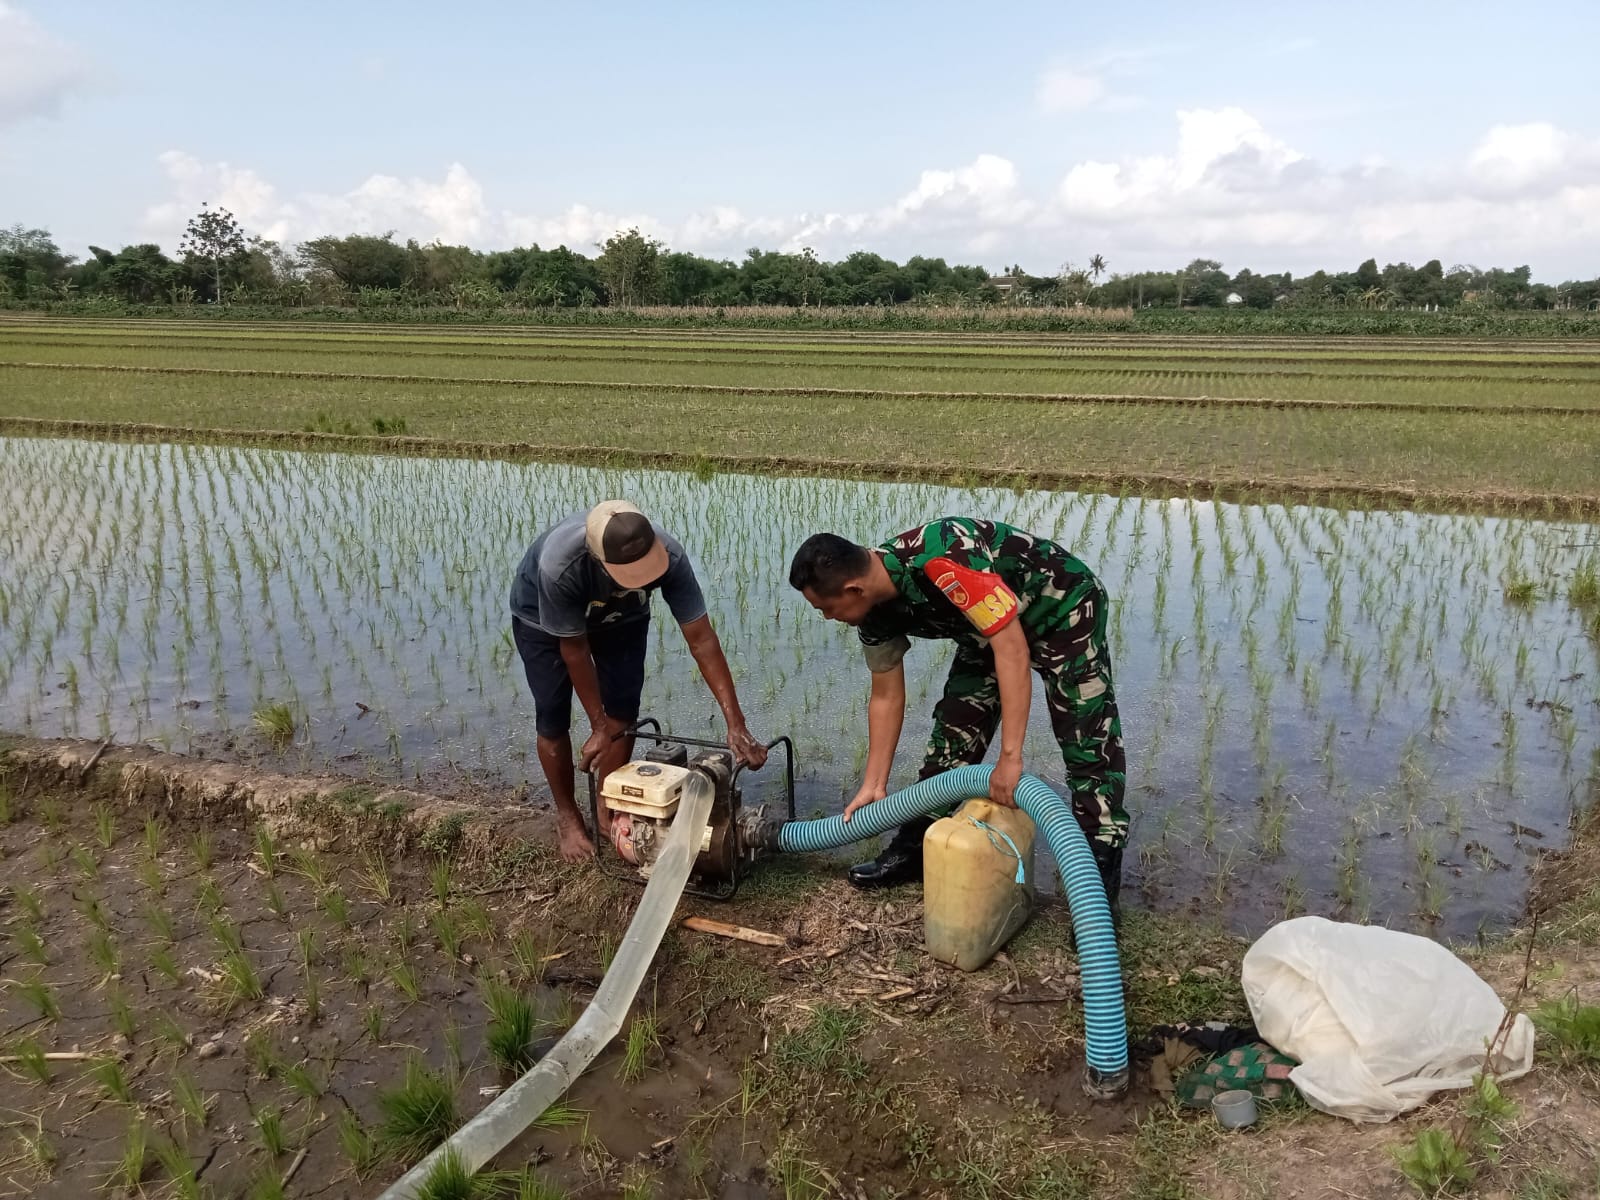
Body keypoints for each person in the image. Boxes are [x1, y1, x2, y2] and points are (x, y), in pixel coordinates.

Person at [788, 517, 1127, 906]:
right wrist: (874, 783)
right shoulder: (873, 610)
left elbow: (1012, 649)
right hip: (982, 630)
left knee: (1086, 737)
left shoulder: (945, 560)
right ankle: (916, 846)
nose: (827, 618)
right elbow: (885, 695)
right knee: (953, 735)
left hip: (1060, 607)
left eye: (827, 608)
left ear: (854, 588)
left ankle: (1098, 874)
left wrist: (1010, 760)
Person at [510, 500, 766, 861]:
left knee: (624, 708)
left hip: (622, 613)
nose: (645, 577)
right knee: (552, 716)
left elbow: (702, 639)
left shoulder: (670, 555)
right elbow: (574, 650)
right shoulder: (560, 566)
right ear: (598, 559)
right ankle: (568, 818)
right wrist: (596, 725)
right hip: (541, 616)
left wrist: (735, 723)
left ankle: (607, 808)